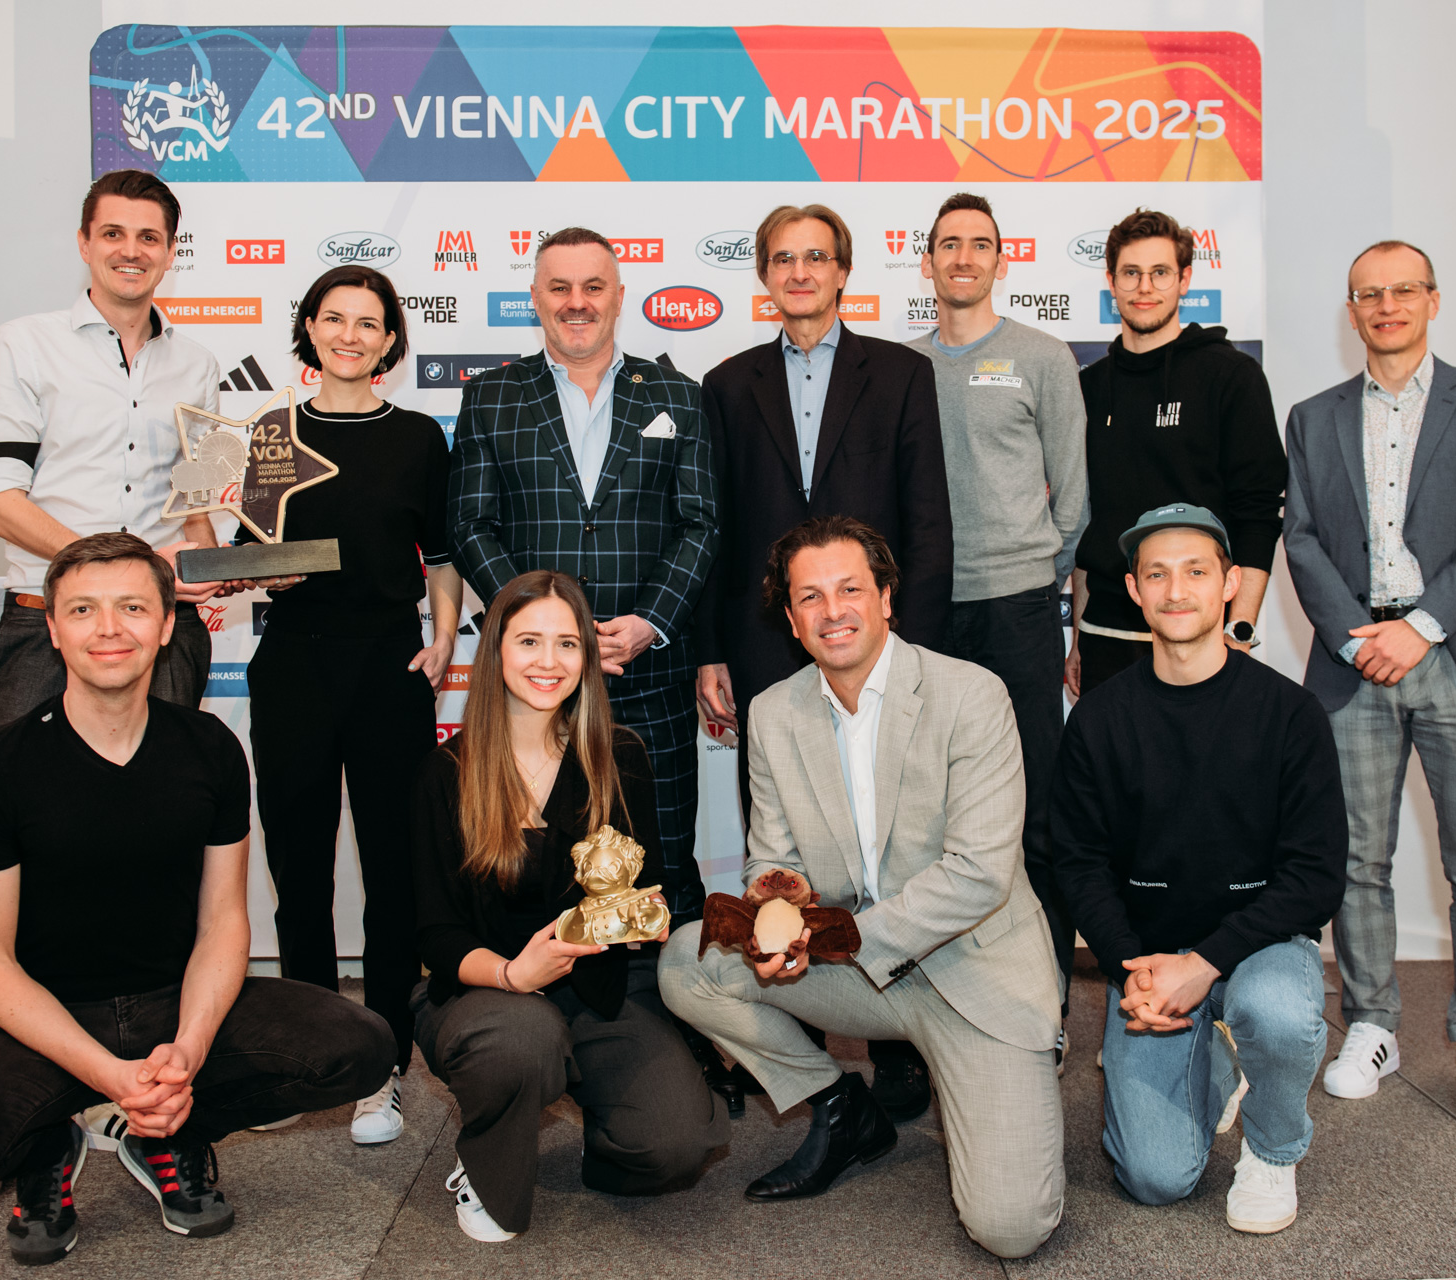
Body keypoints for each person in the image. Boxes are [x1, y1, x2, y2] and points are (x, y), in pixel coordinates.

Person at [0, 533, 394, 1267]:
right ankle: (49, 1139)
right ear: (52, 629)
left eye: (131, 607)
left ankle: (166, 1127)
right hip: (45, 1019)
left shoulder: (210, 747)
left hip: (170, 1000)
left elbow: (222, 924)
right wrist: (108, 1075)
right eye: (83, 610)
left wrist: (184, 1054)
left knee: (362, 1048)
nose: (109, 628)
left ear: (163, 625)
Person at [660, 516, 1063, 1261]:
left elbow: (978, 875)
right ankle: (841, 1106)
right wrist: (776, 910)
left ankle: (993, 1069)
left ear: (887, 599)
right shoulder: (774, 713)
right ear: (790, 618)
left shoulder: (971, 696)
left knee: (1010, 1230)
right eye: (809, 596)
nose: (832, 610)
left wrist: (830, 935)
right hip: (853, 971)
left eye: (850, 589)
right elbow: (771, 862)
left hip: (974, 972)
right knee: (691, 959)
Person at [696, 203, 954, 1119]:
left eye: (817, 257)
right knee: (783, 838)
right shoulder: (726, 384)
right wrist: (712, 651)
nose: (800, 272)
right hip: (765, 639)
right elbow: (715, 531)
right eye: (782, 259)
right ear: (764, 275)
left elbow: (927, 517)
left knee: (892, 829)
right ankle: (789, 1028)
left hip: (873, 636)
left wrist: (910, 638)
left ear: (844, 270)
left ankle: (906, 1046)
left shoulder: (902, 373)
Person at [214, 264, 461, 1146]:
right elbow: (247, 556)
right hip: (294, 667)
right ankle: (312, 1052)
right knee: (299, 865)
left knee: (396, 870)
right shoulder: (268, 434)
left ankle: (384, 1064)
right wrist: (219, 560)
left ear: (391, 340)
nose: (351, 335)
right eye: (335, 319)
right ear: (309, 330)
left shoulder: (420, 437)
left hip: (390, 666)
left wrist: (442, 636)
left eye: (370, 322)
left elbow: (440, 554)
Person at [1283, 241, 1456, 1123]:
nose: (1385, 306)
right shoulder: (1312, 418)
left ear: (1432, 300)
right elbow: (1301, 542)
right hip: (1354, 664)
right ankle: (1372, 1023)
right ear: (1350, 312)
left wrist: (1417, 630)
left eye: (1402, 291)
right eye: (1367, 294)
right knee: (1354, 863)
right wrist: (1361, 641)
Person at [1050, 504, 1347, 1234]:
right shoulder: (1098, 719)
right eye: (1158, 574)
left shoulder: (1290, 713)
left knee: (1276, 1012)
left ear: (1229, 586)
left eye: (1195, 572)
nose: (1176, 590)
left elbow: (1315, 877)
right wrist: (1131, 968)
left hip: (1259, 948)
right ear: (1133, 590)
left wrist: (1206, 964)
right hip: (1150, 962)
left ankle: (1275, 1151)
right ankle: (1214, 1064)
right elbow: (1077, 860)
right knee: (1156, 1179)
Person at [411, 570, 728, 1242]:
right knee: (524, 1042)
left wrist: (647, 918)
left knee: (680, 1144)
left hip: (599, 990)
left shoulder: (621, 759)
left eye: (567, 644)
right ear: (495, 650)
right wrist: (511, 975)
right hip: (482, 993)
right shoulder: (448, 773)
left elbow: (645, 889)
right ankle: (490, 1151)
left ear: (588, 657)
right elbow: (435, 933)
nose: (548, 662)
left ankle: (591, 1119)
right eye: (529, 641)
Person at [448, 226, 718, 928]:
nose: (577, 302)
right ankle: (538, 1007)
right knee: (535, 858)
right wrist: (542, 633)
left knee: (664, 854)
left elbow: (701, 524)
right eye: (560, 288)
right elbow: (472, 525)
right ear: (535, 298)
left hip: (647, 674)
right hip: (532, 683)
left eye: (593, 287)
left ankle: (674, 1016)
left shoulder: (678, 395)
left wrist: (650, 624)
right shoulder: (492, 398)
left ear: (619, 297)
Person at [906, 191, 1087, 1047]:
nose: (964, 257)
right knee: (929, 814)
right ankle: (939, 1002)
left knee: (1037, 813)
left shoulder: (1043, 357)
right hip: (925, 612)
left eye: (980, 244)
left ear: (1000, 260)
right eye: (950, 244)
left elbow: (1075, 496)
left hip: (1017, 607)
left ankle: (1043, 1002)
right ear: (928, 260)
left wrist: (1033, 569)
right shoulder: (903, 368)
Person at [0, 169, 224, 731]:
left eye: (148, 238)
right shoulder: (23, 345)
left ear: (170, 252)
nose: (130, 251)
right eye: (112, 233)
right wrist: (123, 570)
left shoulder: (198, 365)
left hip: (163, 629)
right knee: (27, 803)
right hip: (48, 627)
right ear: (84, 242)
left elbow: (193, 505)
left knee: (163, 807)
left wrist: (227, 562)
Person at [1068, 208, 1285, 699]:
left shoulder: (1232, 377)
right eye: (1131, 273)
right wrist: (1079, 634)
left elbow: (1257, 512)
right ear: (1111, 281)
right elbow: (1087, 518)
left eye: (1160, 273)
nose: (1145, 287)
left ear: (1185, 279)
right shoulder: (1087, 387)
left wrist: (1241, 629)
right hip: (1105, 636)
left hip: (1201, 637)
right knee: (1110, 776)